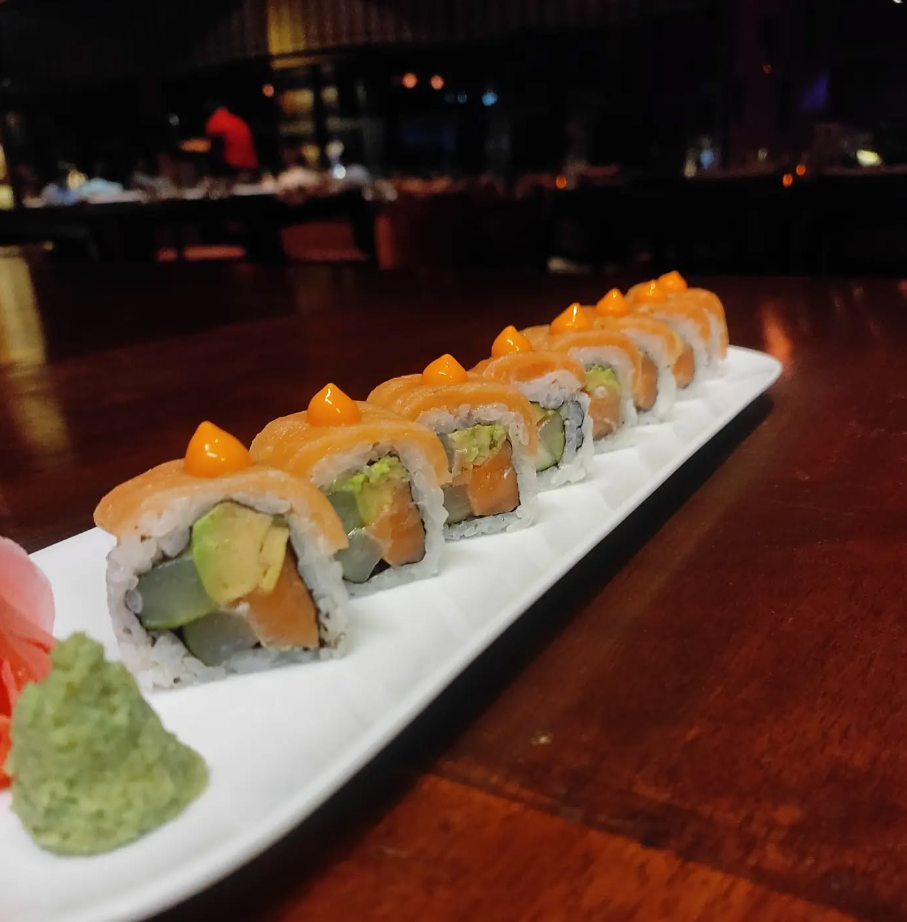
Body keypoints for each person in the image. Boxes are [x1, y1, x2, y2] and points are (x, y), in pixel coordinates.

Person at [203, 101, 259, 178]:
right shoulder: (237, 120)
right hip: (250, 165)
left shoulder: (215, 120)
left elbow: (212, 145)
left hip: (233, 166)